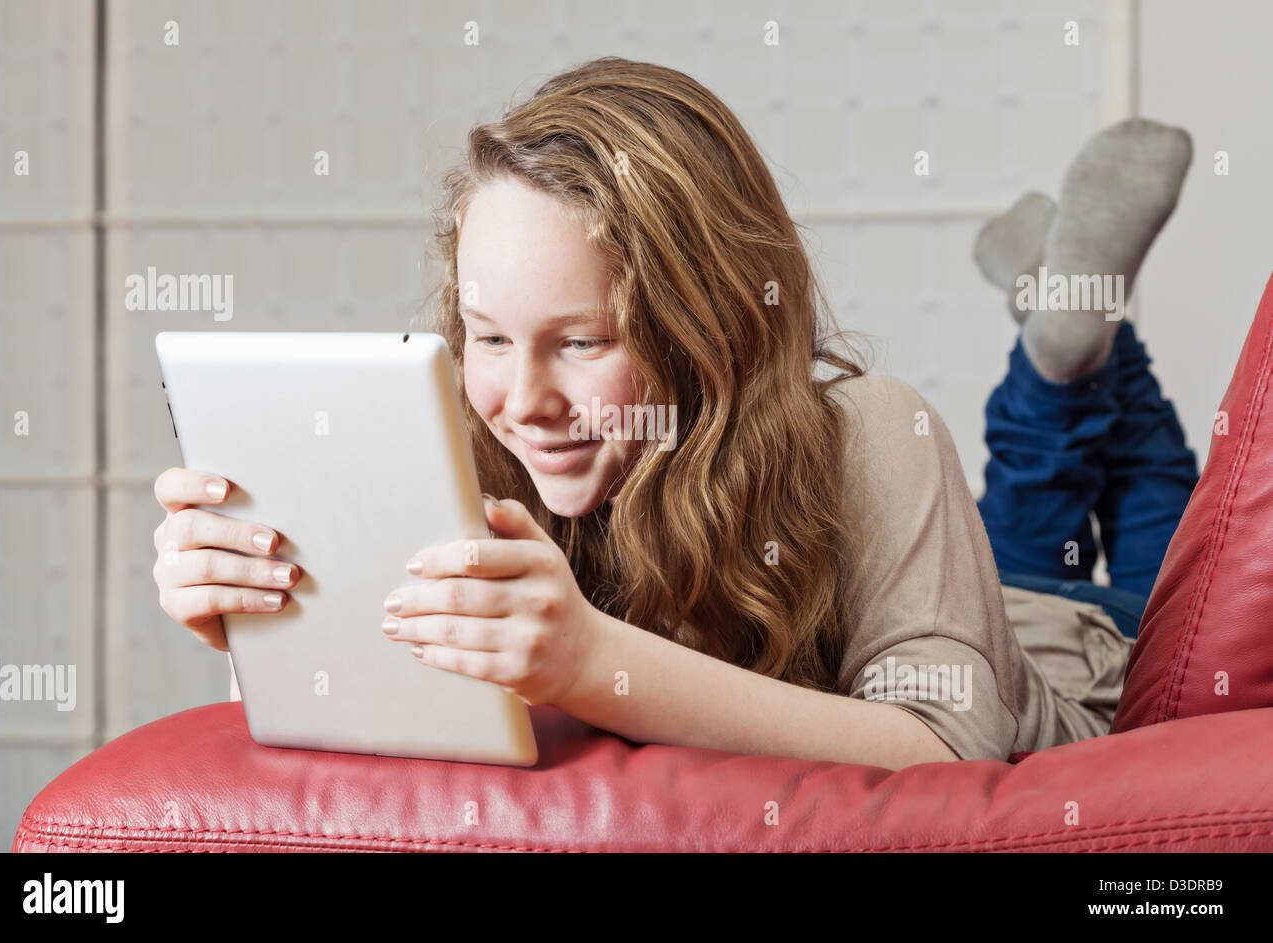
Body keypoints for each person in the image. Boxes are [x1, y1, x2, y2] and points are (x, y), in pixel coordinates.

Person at [149, 57, 1199, 770]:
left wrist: (586, 661)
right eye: (489, 335)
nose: (521, 401)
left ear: (716, 320)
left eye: (584, 340)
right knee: (1025, 495)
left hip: (1067, 641)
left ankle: (1069, 349)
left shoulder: (869, 429)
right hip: (931, 596)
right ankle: (1063, 329)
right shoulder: (461, 450)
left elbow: (945, 747)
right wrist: (269, 614)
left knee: (1141, 517)